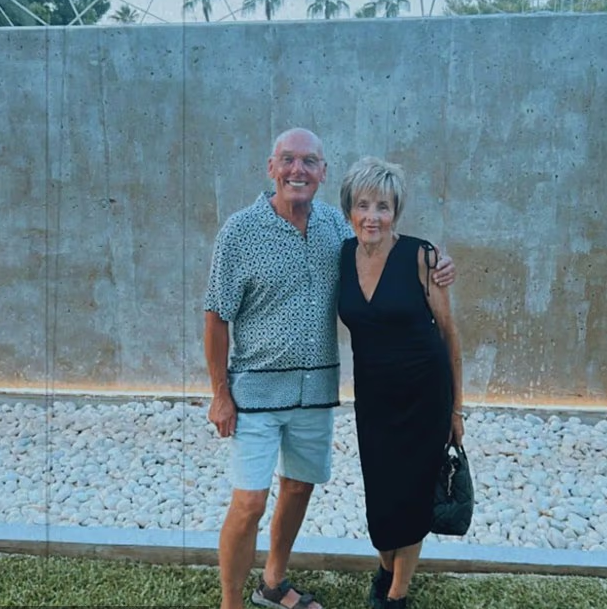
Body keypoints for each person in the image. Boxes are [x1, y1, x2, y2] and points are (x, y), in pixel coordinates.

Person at [204, 129, 456, 609]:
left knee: (299, 487)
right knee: (250, 502)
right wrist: (220, 393)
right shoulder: (239, 231)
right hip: (255, 393)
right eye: (288, 159)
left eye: (309, 161)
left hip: (316, 391)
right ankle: (231, 602)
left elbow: (384, 247)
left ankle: (273, 584)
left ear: (323, 172)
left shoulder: (337, 229)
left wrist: (438, 263)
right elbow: (216, 316)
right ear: (271, 167)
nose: (297, 170)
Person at [337, 157, 465, 609]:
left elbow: (449, 334)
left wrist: (456, 409)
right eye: (363, 205)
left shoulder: (421, 256)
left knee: (412, 494)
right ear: (349, 210)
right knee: (380, 493)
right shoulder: (341, 255)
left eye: (383, 207)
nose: (373, 216)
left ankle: (396, 594)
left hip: (424, 396)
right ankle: (387, 566)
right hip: (373, 398)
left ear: (397, 212)